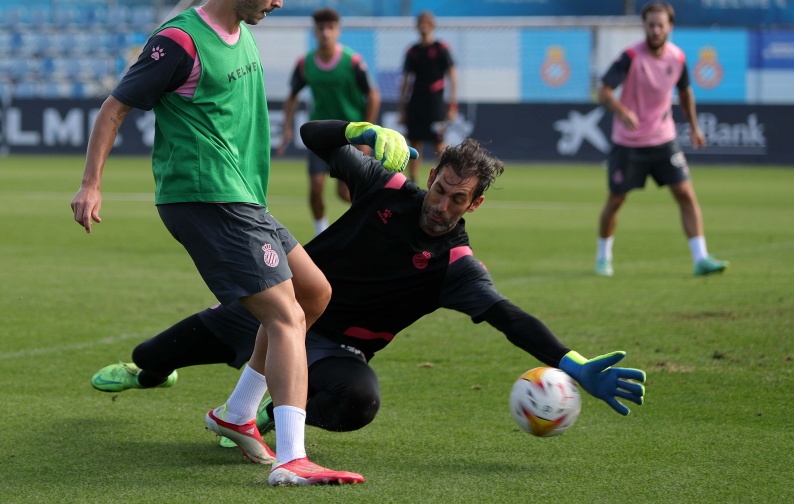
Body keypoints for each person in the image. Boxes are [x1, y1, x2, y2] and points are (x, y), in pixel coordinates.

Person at [91, 119, 646, 447]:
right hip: (276, 310)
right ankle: (151, 376)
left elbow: (508, 316)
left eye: (459, 199)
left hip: (337, 351)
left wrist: (571, 364)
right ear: (432, 177)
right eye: (441, 189)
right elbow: (313, 135)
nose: (442, 205)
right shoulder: (385, 186)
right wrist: (360, 130)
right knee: (151, 355)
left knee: (359, 403)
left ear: (475, 203)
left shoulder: (457, 264)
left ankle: (265, 411)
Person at [70, 0, 373, 487]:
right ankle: (292, 459)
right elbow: (115, 107)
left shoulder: (243, 32)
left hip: (244, 199)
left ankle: (235, 416)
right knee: (284, 318)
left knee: (314, 293)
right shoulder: (179, 41)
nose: (280, 1)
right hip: (204, 196)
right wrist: (91, 184)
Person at [595, 0, 729, 277]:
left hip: (663, 139)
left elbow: (685, 93)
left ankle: (701, 258)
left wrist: (694, 127)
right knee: (616, 200)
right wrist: (622, 111)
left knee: (685, 194)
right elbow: (604, 92)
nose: (656, 30)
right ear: (644, 26)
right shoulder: (630, 57)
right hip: (628, 142)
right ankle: (603, 257)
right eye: (651, 25)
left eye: (661, 25)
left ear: (670, 27)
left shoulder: (678, 58)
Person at [279, 8, 381, 235]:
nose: (325, 33)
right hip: (321, 135)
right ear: (315, 31)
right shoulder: (305, 64)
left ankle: (375, 224)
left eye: (330, 28)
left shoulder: (352, 62)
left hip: (351, 134)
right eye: (321, 28)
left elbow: (373, 96)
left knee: (346, 194)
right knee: (316, 187)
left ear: (338, 31)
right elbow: (292, 96)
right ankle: (320, 232)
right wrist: (287, 127)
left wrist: (367, 133)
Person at [398, 10, 459, 183]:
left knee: (438, 144)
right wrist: (401, 109)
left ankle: (444, 179)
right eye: (421, 22)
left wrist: (452, 104)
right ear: (417, 26)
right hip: (416, 103)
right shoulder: (412, 51)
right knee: (414, 144)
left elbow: (452, 76)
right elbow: (405, 81)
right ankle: (413, 181)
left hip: (435, 104)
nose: (424, 26)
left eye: (427, 22)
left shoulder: (441, 48)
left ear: (432, 25)